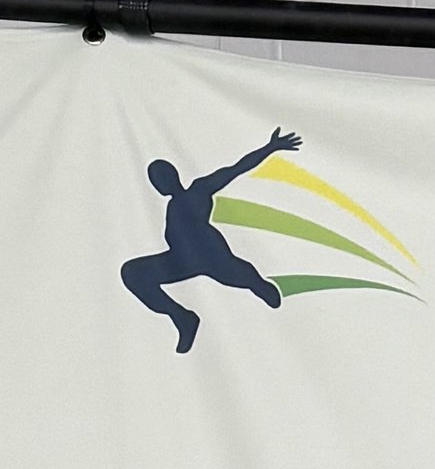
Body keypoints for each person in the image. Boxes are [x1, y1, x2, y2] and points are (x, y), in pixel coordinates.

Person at [121, 133, 300, 354]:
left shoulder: (199, 190)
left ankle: (260, 286)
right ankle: (182, 317)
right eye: (155, 180)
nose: (159, 183)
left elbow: (235, 169)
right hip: (181, 259)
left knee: (249, 280)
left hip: (212, 256)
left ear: (173, 176)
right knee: (132, 272)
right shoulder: (171, 207)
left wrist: (269, 148)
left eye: (162, 177)